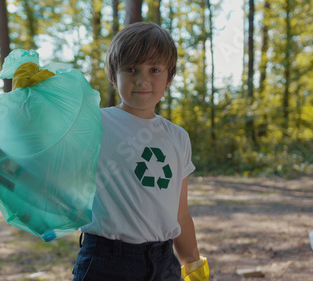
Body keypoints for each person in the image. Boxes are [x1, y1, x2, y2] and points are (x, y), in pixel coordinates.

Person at [72, 22, 210, 281]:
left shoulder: (178, 137)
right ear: (114, 76)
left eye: (154, 69)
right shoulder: (93, 123)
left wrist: (192, 263)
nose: (142, 79)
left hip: (164, 262)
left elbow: (180, 213)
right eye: (131, 69)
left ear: (169, 78)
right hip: (106, 261)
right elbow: (45, 144)